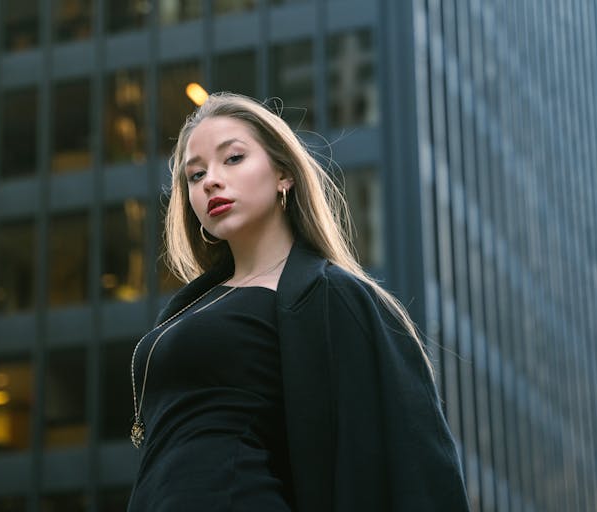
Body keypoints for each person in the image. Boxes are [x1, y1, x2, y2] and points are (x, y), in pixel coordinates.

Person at [127, 92, 469, 511]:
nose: (211, 180)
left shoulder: (332, 295)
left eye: (232, 159)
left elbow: (417, 460)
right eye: (195, 176)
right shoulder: (189, 308)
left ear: (283, 173)